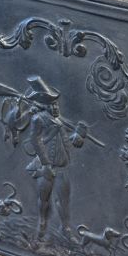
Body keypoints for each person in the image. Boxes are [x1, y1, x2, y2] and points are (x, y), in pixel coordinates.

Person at [21, 76, 87, 242]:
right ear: (45, 105)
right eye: (53, 104)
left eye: (57, 104)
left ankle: (65, 228)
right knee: (44, 198)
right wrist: (46, 163)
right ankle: (42, 224)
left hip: (61, 166)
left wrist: (76, 138)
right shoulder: (38, 119)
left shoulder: (58, 121)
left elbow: (64, 143)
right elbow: (36, 141)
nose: (56, 107)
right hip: (46, 167)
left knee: (63, 199)